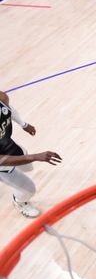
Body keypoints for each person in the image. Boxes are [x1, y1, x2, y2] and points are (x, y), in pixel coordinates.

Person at [0, 90, 62, 218]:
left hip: (7, 145)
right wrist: (34, 157)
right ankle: (19, 202)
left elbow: (9, 109)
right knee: (29, 189)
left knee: (27, 167)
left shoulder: (2, 98)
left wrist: (24, 124)